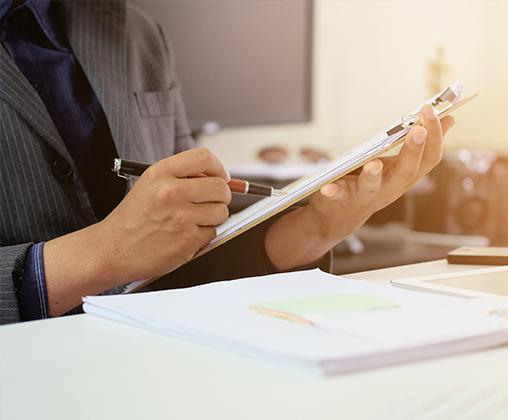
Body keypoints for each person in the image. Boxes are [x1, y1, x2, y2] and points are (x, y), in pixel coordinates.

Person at [0, 0, 454, 324]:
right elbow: (128, 249)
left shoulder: (136, 33)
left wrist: (318, 225)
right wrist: (105, 251)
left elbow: (184, 262)